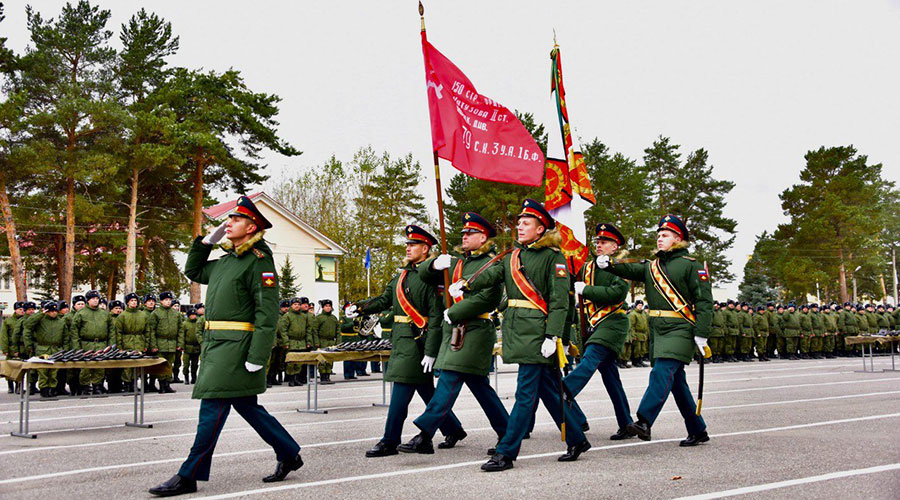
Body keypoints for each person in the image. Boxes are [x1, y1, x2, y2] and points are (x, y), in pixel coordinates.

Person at [150, 195, 302, 496]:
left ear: (252, 227)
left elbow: (267, 311)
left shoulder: (259, 262)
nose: (228, 223)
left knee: (212, 409)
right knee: (248, 407)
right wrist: (206, 242)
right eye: (228, 219)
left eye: (235, 220)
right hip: (215, 345)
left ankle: (188, 475)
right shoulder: (225, 262)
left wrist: (258, 354)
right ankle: (288, 453)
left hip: (237, 348)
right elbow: (193, 271)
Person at [463, 200, 590, 471]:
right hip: (517, 329)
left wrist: (553, 336)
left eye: (526, 223)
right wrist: (465, 283)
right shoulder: (513, 256)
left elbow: (559, 302)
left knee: (524, 395)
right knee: (548, 390)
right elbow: (492, 274)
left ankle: (506, 452)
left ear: (541, 228)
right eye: (518, 222)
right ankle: (577, 438)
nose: (519, 226)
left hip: (537, 333)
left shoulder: (553, 258)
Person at [347, 224, 465, 458]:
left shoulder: (432, 278)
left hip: (416, 340)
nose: (408, 248)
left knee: (400, 389)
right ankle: (453, 429)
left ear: (426, 249)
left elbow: (434, 317)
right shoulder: (400, 275)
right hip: (400, 338)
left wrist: (431, 351)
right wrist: (359, 307)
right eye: (408, 245)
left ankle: (390, 440)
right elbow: (384, 300)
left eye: (414, 245)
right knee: (425, 390)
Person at [398, 212, 509, 455]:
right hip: (455, 331)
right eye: (463, 233)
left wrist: (457, 310)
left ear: (483, 237)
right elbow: (425, 274)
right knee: (481, 388)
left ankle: (424, 433)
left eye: (470, 233)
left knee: (448, 379)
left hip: (476, 329)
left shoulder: (492, 263)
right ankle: (508, 432)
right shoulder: (458, 261)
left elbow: (487, 297)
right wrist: (434, 264)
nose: (464, 237)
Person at [601, 214, 711, 447]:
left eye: (665, 235)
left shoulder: (692, 266)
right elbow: (630, 270)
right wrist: (610, 265)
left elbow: (704, 303)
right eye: (658, 235)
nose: (659, 239)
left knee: (662, 373)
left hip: (681, 328)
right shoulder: (653, 267)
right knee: (676, 382)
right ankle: (697, 428)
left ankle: (644, 420)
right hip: (658, 331)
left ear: (678, 238)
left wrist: (702, 333)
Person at [567, 222, 634, 440]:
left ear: (615, 246)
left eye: (604, 242)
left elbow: (616, 293)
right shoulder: (586, 267)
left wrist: (586, 290)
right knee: (611, 378)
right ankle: (626, 423)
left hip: (612, 323)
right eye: (598, 241)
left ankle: (564, 391)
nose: (599, 245)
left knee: (589, 360)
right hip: (593, 325)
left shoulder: (620, 266)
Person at [23, 301, 70, 397]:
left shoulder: (61, 322)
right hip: (43, 348)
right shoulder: (40, 320)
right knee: (43, 371)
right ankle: (44, 389)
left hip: (56, 349)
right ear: (47, 311)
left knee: (54, 372)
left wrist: (65, 349)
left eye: (55, 311)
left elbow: (66, 337)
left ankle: (52, 389)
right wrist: (41, 313)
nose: (53, 313)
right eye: (51, 311)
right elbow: (28, 324)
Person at [72, 290, 115, 394]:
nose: (95, 301)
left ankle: (97, 385)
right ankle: (84, 386)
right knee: (85, 366)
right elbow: (74, 331)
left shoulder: (105, 314)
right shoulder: (81, 314)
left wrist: (111, 344)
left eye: (97, 299)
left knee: (100, 366)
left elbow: (111, 330)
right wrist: (77, 347)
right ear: (88, 300)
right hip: (86, 343)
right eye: (93, 299)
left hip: (101, 343)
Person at [115, 293, 155, 392]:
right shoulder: (122, 316)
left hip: (139, 343)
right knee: (128, 366)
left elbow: (147, 331)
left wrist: (145, 345)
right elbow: (118, 332)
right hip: (126, 343)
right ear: (127, 302)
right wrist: (119, 346)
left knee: (137, 365)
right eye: (132, 300)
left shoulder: (143, 315)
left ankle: (134, 383)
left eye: (135, 300)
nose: (134, 302)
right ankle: (127, 384)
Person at [150, 291, 183, 393]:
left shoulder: (176, 314)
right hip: (160, 343)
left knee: (169, 364)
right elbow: (152, 330)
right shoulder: (156, 313)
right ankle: (161, 385)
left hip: (172, 343)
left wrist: (180, 344)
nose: (168, 302)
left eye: (169, 300)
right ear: (161, 301)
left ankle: (167, 384)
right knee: (161, 365)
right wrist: (153, 345)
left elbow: (180, 330)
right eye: (166, 300)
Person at [1, 301, 25, 393]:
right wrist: (5, 348)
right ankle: (10, 386)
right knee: (10, 368)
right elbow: (4, 336)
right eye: (20, 309)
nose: (22, 311)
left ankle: (19, 386)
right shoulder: (8, 321)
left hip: (21, 347)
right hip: (11, 347)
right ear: (15, 310)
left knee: (20, 368)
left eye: (23, 309)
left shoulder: (24, 320)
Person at [315, 299, 339, 384]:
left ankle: (328, 376)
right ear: (323, 307)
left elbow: (338, 331)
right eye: (326, 306)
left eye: (329, 306)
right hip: (322, 341)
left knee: (330, 360)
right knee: (322, 360)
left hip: (331, 342)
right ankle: (322, 377)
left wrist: (338, 343)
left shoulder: (334, 318)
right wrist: (317, 343)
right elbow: (315, 331)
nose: (328, 308)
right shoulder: (319, 318)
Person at [181, 308, 204, 385]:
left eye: (194, 315)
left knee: (195, 364)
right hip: (187, 347)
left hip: (196, 347)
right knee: (186, 364)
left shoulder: (198, 322)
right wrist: (182, 345)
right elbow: (182, 335)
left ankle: (194, 377)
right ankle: (186, 377)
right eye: (191, 315)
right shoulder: (185, 324)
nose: (193, 316)